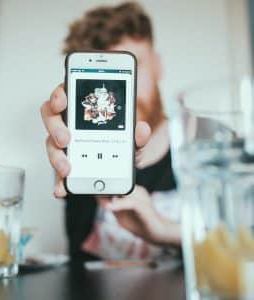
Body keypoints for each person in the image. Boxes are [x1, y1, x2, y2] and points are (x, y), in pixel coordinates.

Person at [41, 2, 181, 262]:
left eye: (133, 67)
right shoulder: (72, 149)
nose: (120, 94)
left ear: (158, 64)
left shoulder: (208, 143)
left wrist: (167, 231)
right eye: (101, 81)